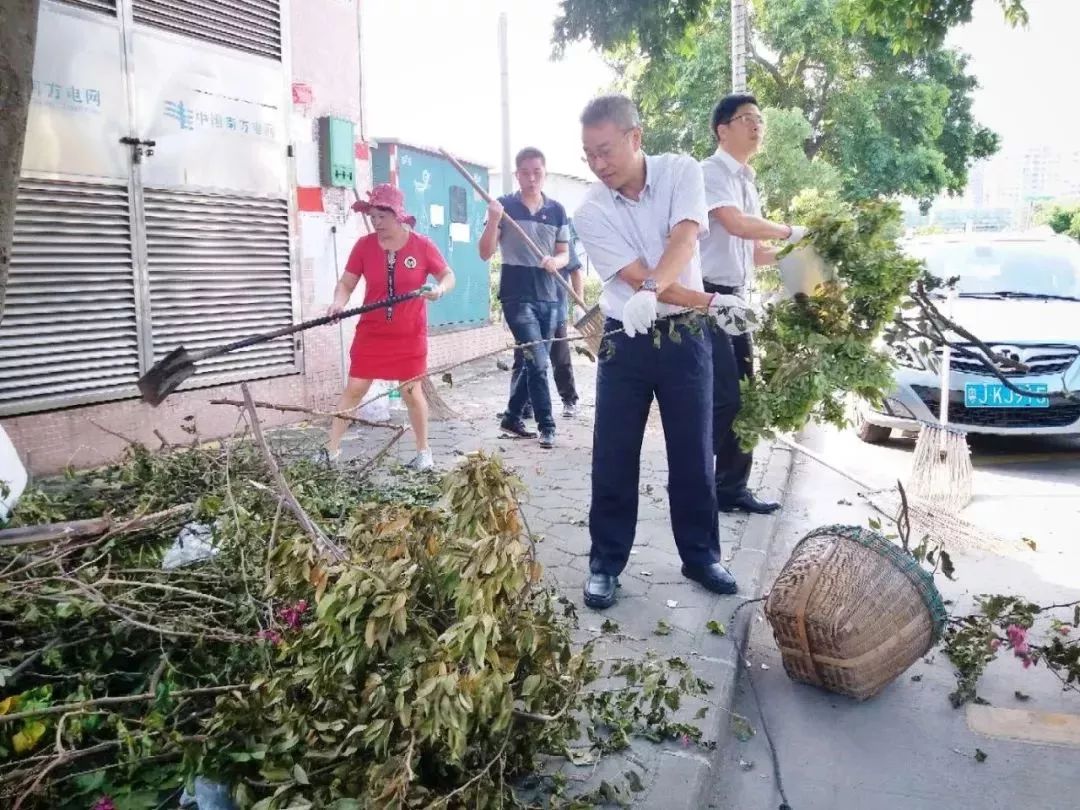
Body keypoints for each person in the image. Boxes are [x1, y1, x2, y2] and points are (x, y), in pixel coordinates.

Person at [572, 95, 752, 610]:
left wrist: (666, 295)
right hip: (623, 340)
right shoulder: (590, 209)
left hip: (684, 338)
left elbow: (685, 240)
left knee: (694, 451)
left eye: (605, 151)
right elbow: (631, 278)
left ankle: (701, 556)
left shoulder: (680, 173)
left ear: (635, 137)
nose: (598, 165)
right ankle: (605, 562)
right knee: (614, 452)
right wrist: (711, 299)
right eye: (588, 155)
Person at [700, 94, 806, 514]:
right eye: (747, 119)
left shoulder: (747, 180)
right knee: (724, 396)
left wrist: (805, 250)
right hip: (706, 296)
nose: (757, 126)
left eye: (760, 119)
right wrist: (791, 231)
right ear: (723, 130)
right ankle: (696, 478)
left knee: (745, 395)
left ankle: (731, 490)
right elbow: (735, 224)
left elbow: (756, 251)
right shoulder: (711, 173)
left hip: (735, 298)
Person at [324, 184, 455, 469]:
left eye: (382, 216)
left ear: (398, 216)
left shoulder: (421, 245)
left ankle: (424, 454)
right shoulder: (364, 246)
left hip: (409, 334)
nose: (377, 222)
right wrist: (338, 303)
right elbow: (347, 283)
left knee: (411, 391)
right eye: (373, 216)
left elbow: (447, 275)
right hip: (372, 332)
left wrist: (439, 290)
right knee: (355, 388)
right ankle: (330, 451)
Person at [479, 147, 570, 448]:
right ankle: (547, 425)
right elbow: (485, 253)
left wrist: (555, 262)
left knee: (535, 361)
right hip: (517, 296)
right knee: (538, 361)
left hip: (550, 296)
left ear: (545, 173)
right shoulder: (503, 206)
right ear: (517, 174)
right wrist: (493, 221)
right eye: (525, 173)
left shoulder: (557, 210)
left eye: (537, 172)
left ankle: (512, 415)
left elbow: (564, 252)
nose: (532, 178)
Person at [507, 235, 584, 419]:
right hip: (527, 312)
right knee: (523, 358)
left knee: (560, 358)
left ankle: (569, 400)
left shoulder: (560, 241)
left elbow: (576, 271)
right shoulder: (523, 240)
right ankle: (522, 405)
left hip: (555, 310)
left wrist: (579, 303)